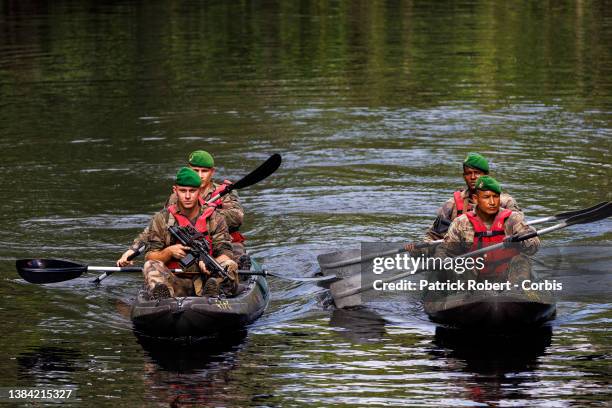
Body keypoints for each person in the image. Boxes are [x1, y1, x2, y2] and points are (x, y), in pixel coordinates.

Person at [117, 150, 246, 266]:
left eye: (204, 171)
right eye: (196, 170)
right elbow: (159, 225)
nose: (200, 175)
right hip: (187, 245)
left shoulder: (223, 193)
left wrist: (204, 213)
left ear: (212, 172)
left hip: (218, 241)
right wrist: (133, 249)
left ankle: (238, 271)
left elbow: (237, 217)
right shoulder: (175, 197)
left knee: (234, 255)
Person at [141, 167, 238, 299]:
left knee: (229, 265)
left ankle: (215, 293)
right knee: (150, 265)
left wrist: (210, 264)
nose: (187, 196)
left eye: (192, 191)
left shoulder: (216, 218)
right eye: (183, 191)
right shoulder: (161, 219)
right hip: (177, 280)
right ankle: (163, 299)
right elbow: (149, 256)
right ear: (175, 191)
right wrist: (168, 252)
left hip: (209, 279)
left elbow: (225, 253)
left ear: (199, 191)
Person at [406, 153, 520, 254]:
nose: (473, 177)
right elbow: (434, 237)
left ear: (487, 175)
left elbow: (520, 232)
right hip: (465, 260)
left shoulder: (506, 203)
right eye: (469, 173)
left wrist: (515, 239)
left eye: (477, 173)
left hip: (500, 255)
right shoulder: (451, 205)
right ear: (464, 176)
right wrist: (418, 248)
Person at [433, 175, 539, 283]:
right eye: (486, 197)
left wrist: (519, 241)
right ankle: (466, 294)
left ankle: (517, 292)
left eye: (495, 196)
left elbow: (534, 245)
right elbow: (445, 250)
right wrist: (440, 260)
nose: (492, 202)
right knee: (464, 263)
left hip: (506, 277)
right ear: (476, 199)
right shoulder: (461, 222)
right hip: (475, 279)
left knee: (522, 260)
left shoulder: (513, 219)